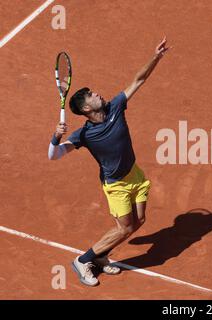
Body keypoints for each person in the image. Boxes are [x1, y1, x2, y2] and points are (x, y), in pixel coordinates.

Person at [47, 37, 171, 286]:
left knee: (139, 222)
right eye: (92, 95)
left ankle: (101, 256)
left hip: (134, 174)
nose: (97, 94)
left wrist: (155, 57)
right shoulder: (83, 134)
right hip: (116, 185)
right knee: (125, 228)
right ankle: (84, 260)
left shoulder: (116, 106)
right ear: (86, 110)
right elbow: (55, 155)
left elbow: (139, 80)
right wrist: (56, 137)